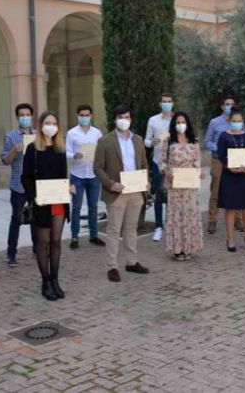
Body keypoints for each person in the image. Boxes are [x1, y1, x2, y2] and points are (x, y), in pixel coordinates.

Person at [94, 105, 150, 282]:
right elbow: (98, 168)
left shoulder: (138, 140)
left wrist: (145, 181)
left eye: (126, 117)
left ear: (131, 119)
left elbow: (144, 165)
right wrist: (111, 184)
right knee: (114, 229)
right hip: (116, 192)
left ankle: (131, 262)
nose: (123, 120)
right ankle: (112, 266)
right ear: (114, 119)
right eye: (120, 117)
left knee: (131, 228)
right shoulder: (105, 141)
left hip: (136, 191)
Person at [22, 111, 73, 300]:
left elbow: (62, 176)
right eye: (47, 122)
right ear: (41, 125)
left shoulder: (60, 149)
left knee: (56, 241)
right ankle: (45, 281)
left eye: (54, 123)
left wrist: (69, 187)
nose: (50, 126)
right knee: (43, 242)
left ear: (58, 127)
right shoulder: (32, 149)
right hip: (41, 202)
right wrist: (34, 196)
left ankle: (55, 279)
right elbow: (25, 177)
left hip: (58, 201)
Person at [159, 112, 204, 261]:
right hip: (175, 185)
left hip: (190, 185)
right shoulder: (168, 141)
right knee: (177, 215)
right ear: (173, 124)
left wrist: (199, 172)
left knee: (190, 214)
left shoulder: (194, 140)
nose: (181, 124)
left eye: (183, 121)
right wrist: (168, 172)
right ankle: (178, 249)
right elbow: (162, 162)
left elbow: (197, 160)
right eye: (178, 122)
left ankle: (189, 246)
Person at [1, 103, 38, 266]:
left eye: (28, 114)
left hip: (36, 185)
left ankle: (38, 250)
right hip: (18, 185)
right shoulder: (11, 137)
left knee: (36, 219)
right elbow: (5, 160)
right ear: (17, 118)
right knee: (16, 218)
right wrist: (15, 151)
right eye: (22, 115)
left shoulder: (38, 135)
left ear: (31, 116)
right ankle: (11, 254)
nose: (25, 117)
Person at [217, 108, 245, 252]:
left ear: (243, 122)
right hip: (230, 176)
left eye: (239, 121)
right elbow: (221, 155)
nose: (236, 123)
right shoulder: (223, 136)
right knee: (231, 208)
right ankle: (230, 239)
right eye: (234, 121)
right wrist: (229, 166)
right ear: (229, 121)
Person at [65, 105, 105, 250]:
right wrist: (73, 155)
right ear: (77, 115)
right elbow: (67, 151)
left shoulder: (97, 133)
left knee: (93, 207)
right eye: (82, 115)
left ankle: (93, 235)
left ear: (91, 116)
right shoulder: (72, 133)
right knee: (76, 207)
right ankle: (74, 237)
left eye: (87, 115)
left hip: (93, 175)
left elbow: (101, 151)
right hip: (77, 175)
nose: (84, 117)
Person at [204, 96, 243, 234]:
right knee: (215, 191)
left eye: (232, 104)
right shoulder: (215, 122)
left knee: (236, 189)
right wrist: (219, 148)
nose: (229, 107)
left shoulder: (238, 122)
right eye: (227, 104)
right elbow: (207, 141)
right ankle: (212, 220)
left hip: (235, 159)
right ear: (222, 106)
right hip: (218, 160)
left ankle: (238, 219)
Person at [144, 93, 175, 242]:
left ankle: (171, 224)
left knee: (173, 194)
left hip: (174, 162)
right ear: (160, 103)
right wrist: (152, 142)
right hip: (157, 161)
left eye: (169, 102)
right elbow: (146, 140)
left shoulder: (177, 120)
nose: (166, 104)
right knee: (158, 193)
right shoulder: (153, 120)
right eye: (164, 101)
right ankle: (158, 226)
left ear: (173, 103)